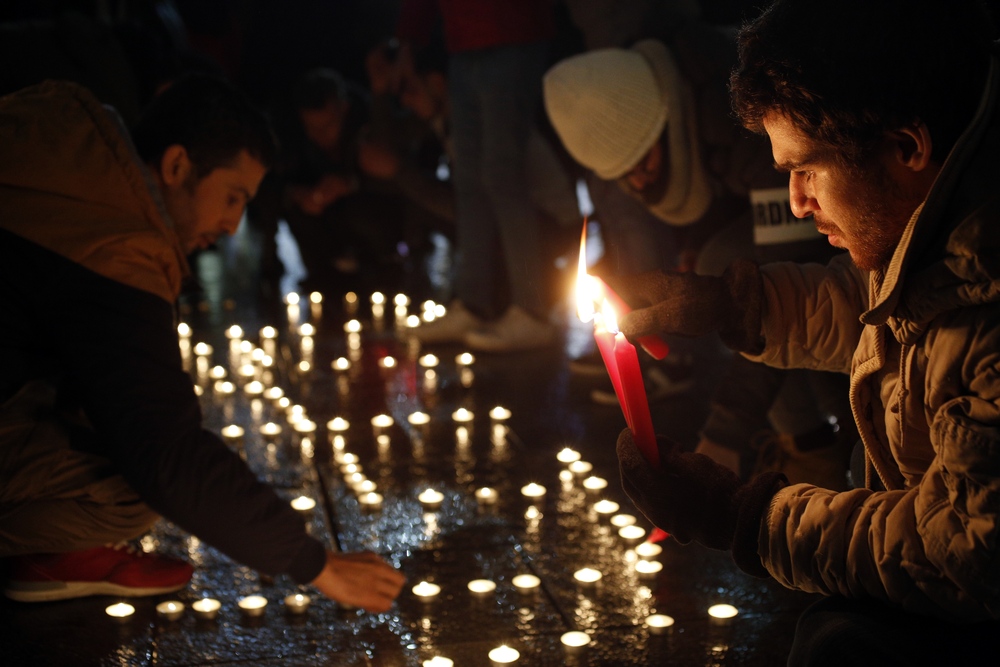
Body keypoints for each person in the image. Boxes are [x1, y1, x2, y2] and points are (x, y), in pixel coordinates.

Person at [613, 0, 1000, 663]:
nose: (796, 202)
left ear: (906, 147)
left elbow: (960, 553)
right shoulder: (944, 224)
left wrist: (743, 516)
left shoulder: (989, 308)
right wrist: (732, 305)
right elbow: (879, 308)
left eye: (807, 169)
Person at [0, 75, 405, 611]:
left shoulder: (59, 175)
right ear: (176, 166)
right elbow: (167, 453)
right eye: (232, 197)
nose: (234, 225)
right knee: (130, 489)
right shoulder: (114, 244)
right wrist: (317, 564)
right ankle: (50, 554)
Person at [543, 23, 856, 488]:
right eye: (625, 176)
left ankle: (819, 446)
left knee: (734, 270)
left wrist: (724, 434)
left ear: (665, 125)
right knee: (715, 262)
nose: (640, 183)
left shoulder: (754, 128)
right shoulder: (687, 103)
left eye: (644, 163)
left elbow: (782, 291)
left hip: (852, 250)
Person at [395, 0, 563, 352]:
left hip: (511, 31)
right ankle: (473, 304)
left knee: (503, 174)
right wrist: (410, 34)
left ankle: (532, 310)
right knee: (468, 179)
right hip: (461, 38)